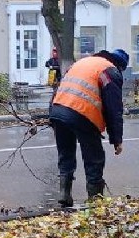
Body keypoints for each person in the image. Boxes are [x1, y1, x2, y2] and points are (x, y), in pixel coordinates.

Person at [49, 48, 128, 207]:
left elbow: (59, 88)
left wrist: (52, 115)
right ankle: (95, 198)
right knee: (94, 156)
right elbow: (114, 108)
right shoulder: (109, 71)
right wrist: (116, 139)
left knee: (66, 153)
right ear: (119, 66)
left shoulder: (81, 63)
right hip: (83, 113)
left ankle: (64, 193)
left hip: (58, 109)